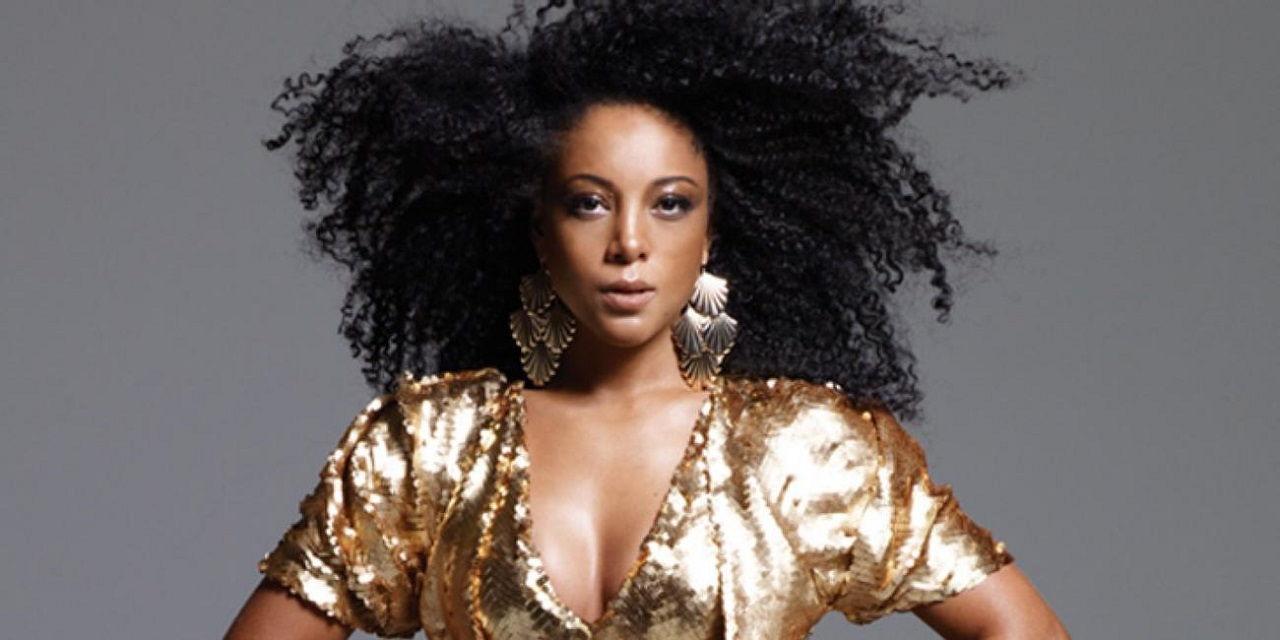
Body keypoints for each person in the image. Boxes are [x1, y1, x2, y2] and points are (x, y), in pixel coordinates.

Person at [224, 1, 1069, 638]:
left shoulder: (800, 451)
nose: (629, 243)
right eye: (589, 203)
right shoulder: (430, 450)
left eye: (670, 204)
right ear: (537, 230)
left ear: (711, 235)